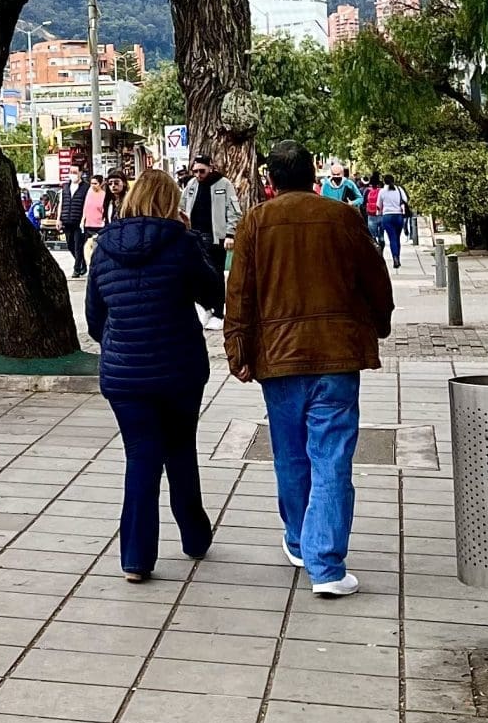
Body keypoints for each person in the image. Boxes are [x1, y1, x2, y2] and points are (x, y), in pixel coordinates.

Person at [224, 139, 394, 597]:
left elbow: (240, 291)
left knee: (290, 453)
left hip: (278, 358)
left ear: (271, 180)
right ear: (312, 176)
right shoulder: (342, 218)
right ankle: (328, 565)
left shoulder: (256, 222)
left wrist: (237, 348)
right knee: (332, 456)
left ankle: (300, 540)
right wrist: (380, 323)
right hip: (336, 354)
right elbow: (375, 277)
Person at [85, 167, 225, 581]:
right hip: (179, 369)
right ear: (172, 203)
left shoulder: (105, 247)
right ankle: (194, 537)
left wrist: (119, 339)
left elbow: (95, 316)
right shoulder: (181, 244)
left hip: (125, 375)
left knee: (141, 457)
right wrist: (194, 241)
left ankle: (136, 559)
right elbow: (214, 294)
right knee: (181, 448)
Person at [63, 163, 96, 275]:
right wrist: (59, 219)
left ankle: (76, 269)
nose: (72, 175)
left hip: (79, 222)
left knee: (78, 246)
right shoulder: (65, 186)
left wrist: (84, 219)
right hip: (67, 220)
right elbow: (61, 203)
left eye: (75, 172)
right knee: (70, 245)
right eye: (71, 172)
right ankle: (81, 263)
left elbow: (88, 205)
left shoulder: (86, 188)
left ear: (81, 173)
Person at [376, 176, 409, 268]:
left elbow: (378, 205)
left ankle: (395, 257)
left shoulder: (382, 191)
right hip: (398, 216)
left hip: (387, 216)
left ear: (384, 181)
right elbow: (405, 200)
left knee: (392, 238)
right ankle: (397, 256)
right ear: (394, 181)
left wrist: (379, 213)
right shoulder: (399, 189)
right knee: (397, 238)